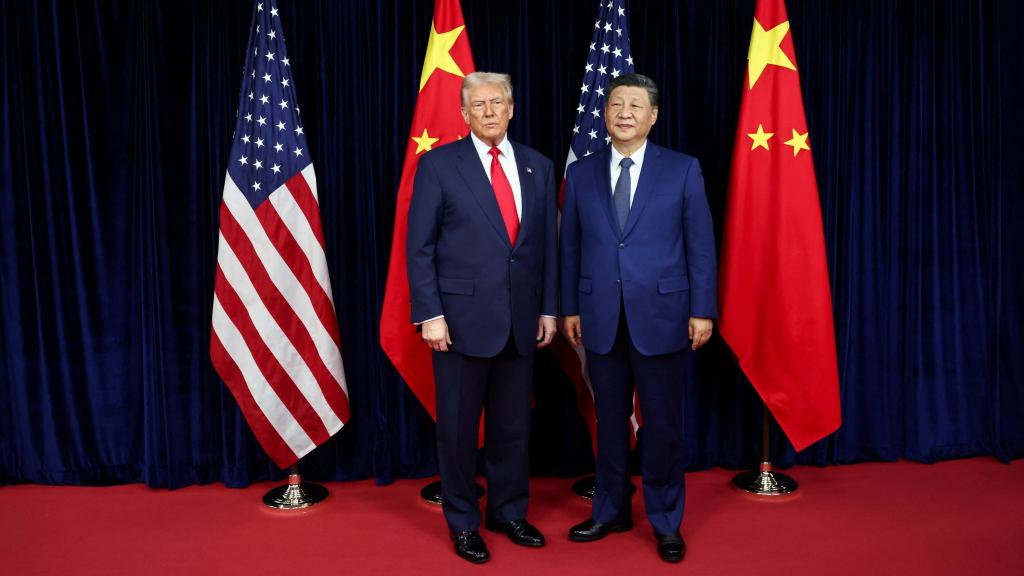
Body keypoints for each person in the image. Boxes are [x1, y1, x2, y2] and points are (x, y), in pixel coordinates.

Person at [559, 73, 717, 563]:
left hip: (665, 317)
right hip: (599, 317)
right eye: (615, 104)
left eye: (634, 105)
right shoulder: (581, 173)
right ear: (604, 115)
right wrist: (568, 306)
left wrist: (702, 310)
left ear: (653, 116)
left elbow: (700, 247)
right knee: (609, 424)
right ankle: (610, 511)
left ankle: (667, 521)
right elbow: (571, 247)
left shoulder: (682, 169)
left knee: (664, 426)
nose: (624, 112)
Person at [406, 71, 558, 564]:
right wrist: (430, 314)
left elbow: (546, 249)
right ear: (464, 114)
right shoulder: (439, 166)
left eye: (498, 102)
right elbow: (420, 247)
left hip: (520, 319)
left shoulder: (539, 165)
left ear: (512, 109)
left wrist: (549, 308)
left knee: (513, 427)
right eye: (479, 104)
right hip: (458, 322)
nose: (490, 111)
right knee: (456, 428)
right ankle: (464, 521)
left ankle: (509, 512)